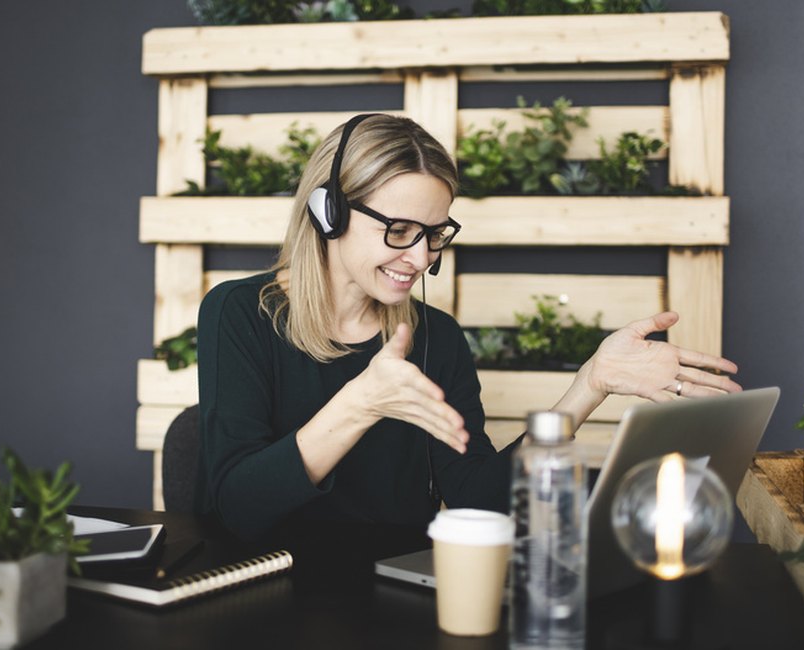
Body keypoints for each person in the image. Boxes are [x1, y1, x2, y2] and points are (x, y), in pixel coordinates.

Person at [193, 114, 741, 542]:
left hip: (391, 603)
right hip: (264, 591)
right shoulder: (241, 314)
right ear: (328, 212)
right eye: (400, 229)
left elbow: (481, 501)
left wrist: (588, 386)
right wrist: (360, 404)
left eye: (434, 233)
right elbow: (237, 508)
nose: (419, 257)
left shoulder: (436, 338)